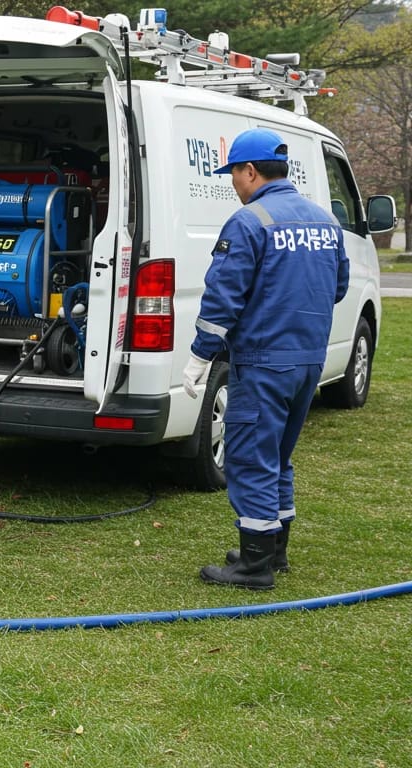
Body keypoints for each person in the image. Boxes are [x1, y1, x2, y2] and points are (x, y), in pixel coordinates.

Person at [183, 127, 348, 590]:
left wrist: (199, 355)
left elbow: (223, 298)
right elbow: (336, 288)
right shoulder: (324, 220)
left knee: (251, 457)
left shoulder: (250, 221)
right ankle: (274, 550)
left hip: (262, 361)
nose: (232, 183)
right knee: (277, 456)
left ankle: (253, 566)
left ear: (249, 171)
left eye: (233, 173)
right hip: (308, 359)